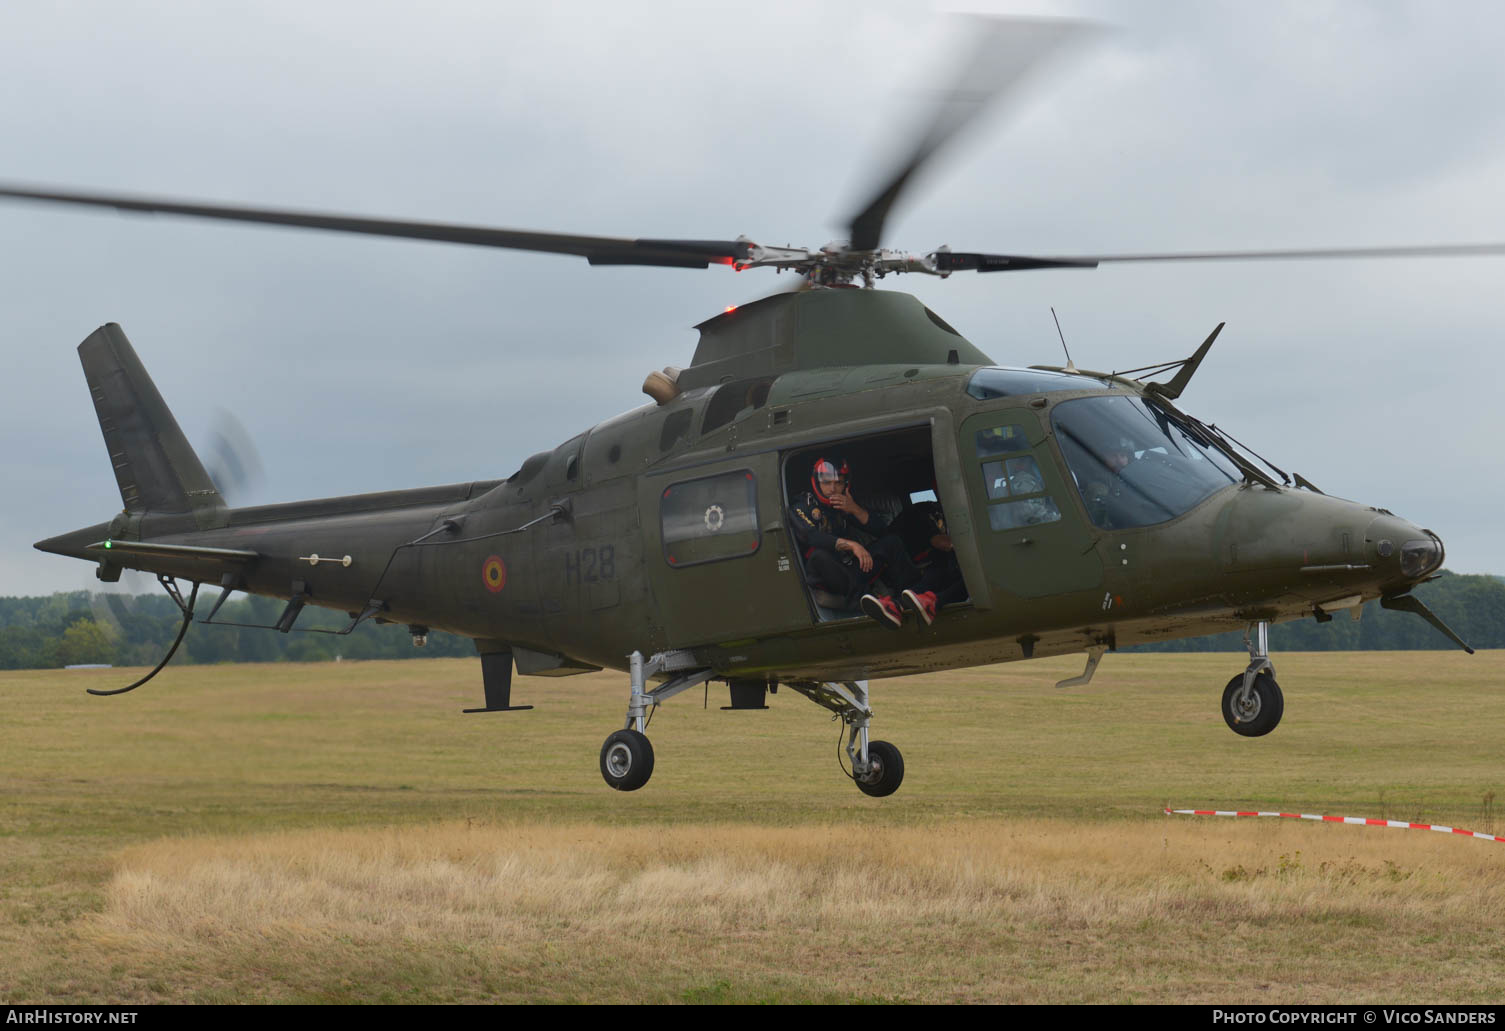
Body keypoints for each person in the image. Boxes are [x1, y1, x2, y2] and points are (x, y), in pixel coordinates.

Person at [787, 456, 918, 629]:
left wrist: (854, 509)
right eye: (826, 483)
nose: (833, 488)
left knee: (891, 542)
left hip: (852, 568)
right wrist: (852, 545)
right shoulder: (803, 505)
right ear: (817, 482)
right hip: (830, 578)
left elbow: (881, 529)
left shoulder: (843, 505)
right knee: (819, 556)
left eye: (838, 483)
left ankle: (911, 597)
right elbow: (809, 536)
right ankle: (871, 602)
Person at [888, 500, 969, 625]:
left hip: (964, 574)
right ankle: (895, 605)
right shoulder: (924, 512)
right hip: (936, 568)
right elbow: (941, 542)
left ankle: (930, 603)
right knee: (936, 574)